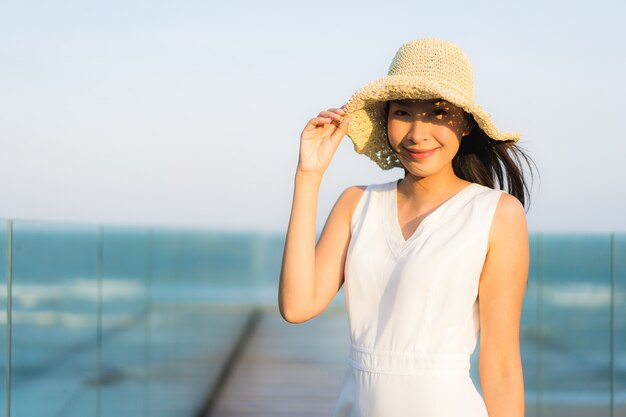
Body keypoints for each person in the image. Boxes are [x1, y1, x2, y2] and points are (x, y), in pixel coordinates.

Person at [278, 38, 533, 417]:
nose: (417, 133)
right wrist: (308, 175)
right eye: (403, 112)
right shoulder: (356, 204)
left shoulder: (496, 215)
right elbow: (297, 306)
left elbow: (500, 366)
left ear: (464, 122)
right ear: (386, 120)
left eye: (437, 113)